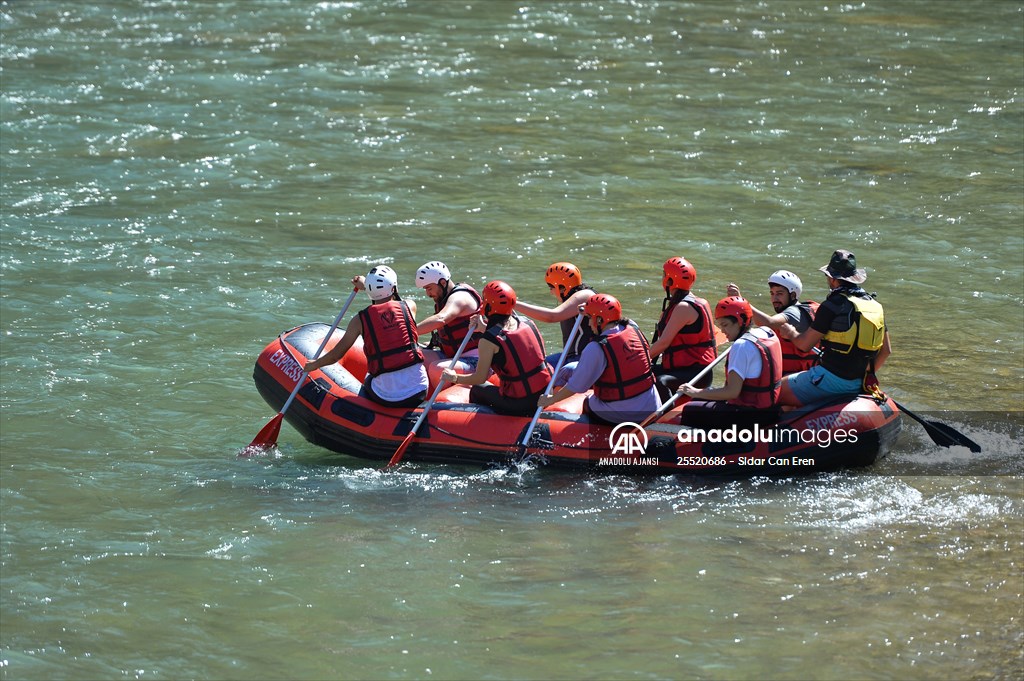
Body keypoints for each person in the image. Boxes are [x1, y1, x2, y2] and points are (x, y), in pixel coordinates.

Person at [777, 250, 892, 407]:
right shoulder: (875, 306)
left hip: (830, 379)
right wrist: (863, 375)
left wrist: (791, 333)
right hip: (859, 382)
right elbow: (886, 351)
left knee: (774, 391)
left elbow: (804, 345)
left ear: (832, 279)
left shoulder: (831, 305)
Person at [304, 266, 428, 408]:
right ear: (393, 288)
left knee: (369, 376)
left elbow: (334, 356)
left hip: (385, 396)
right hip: (419, 390)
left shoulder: (359, 320)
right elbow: (392, 306)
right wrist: (369, 287)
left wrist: (314, 365)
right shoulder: (410, 306)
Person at [537, 294, 661, 425]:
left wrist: (551, 400)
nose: (589, 323)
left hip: (627, 415)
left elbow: (575, 387)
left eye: (590, 318)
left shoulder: (596, 348)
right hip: (652, 406)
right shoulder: (633, 328)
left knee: (586, 402)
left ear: (600, 320)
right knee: (571, 367)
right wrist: (593, 309)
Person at [440, 281, 553, 416]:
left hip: (523, 403)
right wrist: (483, 328)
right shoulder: (526, 322)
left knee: (477, 389)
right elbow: (508, 337)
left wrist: (454, 378)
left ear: (488, 306)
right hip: (546, 392)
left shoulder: (488, 341)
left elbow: (479, 378)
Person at [677, 296, 784, 428]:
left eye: (725, 325)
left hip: (751, 415)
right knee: (702, 397)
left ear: (740, 321)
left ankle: (705, 447)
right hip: (770, 409)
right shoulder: (766, 331)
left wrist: (695, 391)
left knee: (690, 410)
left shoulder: (742, 346)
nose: (722, 331)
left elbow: (732, 392)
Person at [649, 256, 718, 400]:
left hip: (697, 374)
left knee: (661, 381)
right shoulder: (691, 302)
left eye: (664, 275)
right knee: (645, 372)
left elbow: (663, 343)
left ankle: (664, 416)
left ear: (669, 281)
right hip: (682, 369)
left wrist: (637, 361)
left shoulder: (683, 307)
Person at [727, 270, 819, 375]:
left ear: (793, 295)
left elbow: (769, 322)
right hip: (802, 373)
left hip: (796, 376)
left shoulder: (794, 312)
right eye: (772, 293)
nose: (774, 299)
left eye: (779, 294)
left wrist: (742, 303)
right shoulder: (802, 310)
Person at [514, 262, 597, 370]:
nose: (551, 292)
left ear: (562, 287)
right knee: (530, 366)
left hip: (582, 359)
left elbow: (552, 316)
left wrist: (513, 303)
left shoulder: (585, 295)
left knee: (533, 371)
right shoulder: (576, 296)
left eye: (551, 287)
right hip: (570, 357)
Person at [412, 261, 482, 385]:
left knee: (437, 369)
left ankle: (442, 401)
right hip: (454, 356)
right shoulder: (444, 299)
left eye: (429, 288)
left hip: (476, 361)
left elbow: (441, 319)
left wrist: (408, 333)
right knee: (411, 355)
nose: (427, 294)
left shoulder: (460, 297)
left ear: (443, 282)